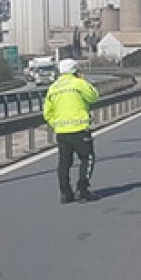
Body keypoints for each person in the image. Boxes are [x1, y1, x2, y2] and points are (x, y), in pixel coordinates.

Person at [43, 58, 100, 204]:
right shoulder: (79, 84)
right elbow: (94, 97)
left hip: (62, 132)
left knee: (64, 163)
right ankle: (82, 190)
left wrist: (56, 125)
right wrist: (84, 81)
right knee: (88, 159)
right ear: (75, 70)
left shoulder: (53, 88)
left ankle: (65, 194)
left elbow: (47, 113)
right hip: (80, 130)